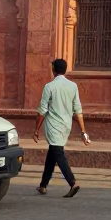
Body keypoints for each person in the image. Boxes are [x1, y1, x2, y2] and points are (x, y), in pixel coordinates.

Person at [34, 58, 89, 197]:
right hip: (66, 125)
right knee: (52, 153)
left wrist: (36, 129)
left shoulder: (49, 86)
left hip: (53, 125)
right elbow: (78, 110)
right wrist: (83, 131)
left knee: (58, 153)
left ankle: (72, 183)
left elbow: (42, 110)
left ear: (54, 70)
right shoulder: (73, 86)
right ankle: (43, 185)